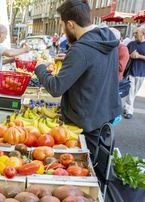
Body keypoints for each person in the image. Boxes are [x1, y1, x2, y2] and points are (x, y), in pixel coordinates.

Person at [34, 0, 122, 163]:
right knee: (95, 162)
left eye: (62, 26)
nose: (63, 30)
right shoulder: (106, 39)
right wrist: (71, 61)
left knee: (83, 167)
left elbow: (56, 88)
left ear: (71, 24)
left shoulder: (80, 50)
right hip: (103, 114)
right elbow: (95, 69)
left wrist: (39, 68)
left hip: (84, 123)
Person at [123, 27, 145, 119]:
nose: (134, 34)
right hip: (131, 71)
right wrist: (130, 55)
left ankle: (127, 107)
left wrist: (139, 56)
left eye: (136, 33)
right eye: (134, 33)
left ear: (143, 34)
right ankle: (129, 111)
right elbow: (125, 55)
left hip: (141, 72)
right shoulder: (131, 44)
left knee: (134, 93)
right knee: (130, 92)